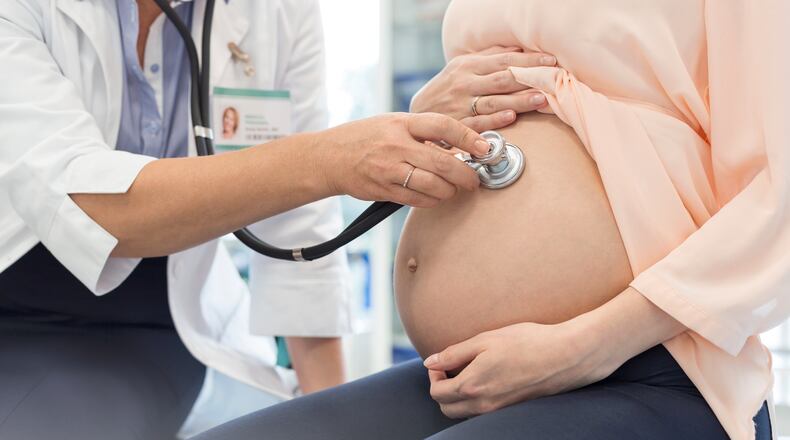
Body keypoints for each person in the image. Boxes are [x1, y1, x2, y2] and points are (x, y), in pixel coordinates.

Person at [193, 1, 786, 439]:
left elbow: (778, 197)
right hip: (465, 382)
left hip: (652, 367)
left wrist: (584, 347)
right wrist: (428, 114)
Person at [0, 0, 532, 438]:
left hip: (170, 324)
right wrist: (326, 159)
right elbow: (95, 205)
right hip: (20, 312)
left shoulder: (278, 11)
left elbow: (302, 227)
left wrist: (333, 415)